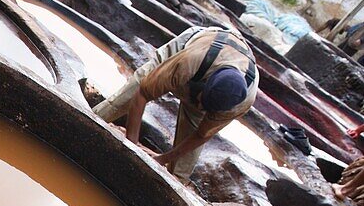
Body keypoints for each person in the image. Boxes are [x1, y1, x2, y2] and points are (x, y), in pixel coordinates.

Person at [94, 26, 258, 179]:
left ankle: (172, 183)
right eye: (201, 102)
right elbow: (142, 95)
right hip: (193, 48)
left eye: (205, 109)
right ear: (204, 86)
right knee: (127, 96)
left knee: (183, 166)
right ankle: (90, 120)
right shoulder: (190, 60)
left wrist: (162, 159)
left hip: (215, 74)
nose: (200, 107)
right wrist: (131, 147)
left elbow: (201, 135)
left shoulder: (241, 102)